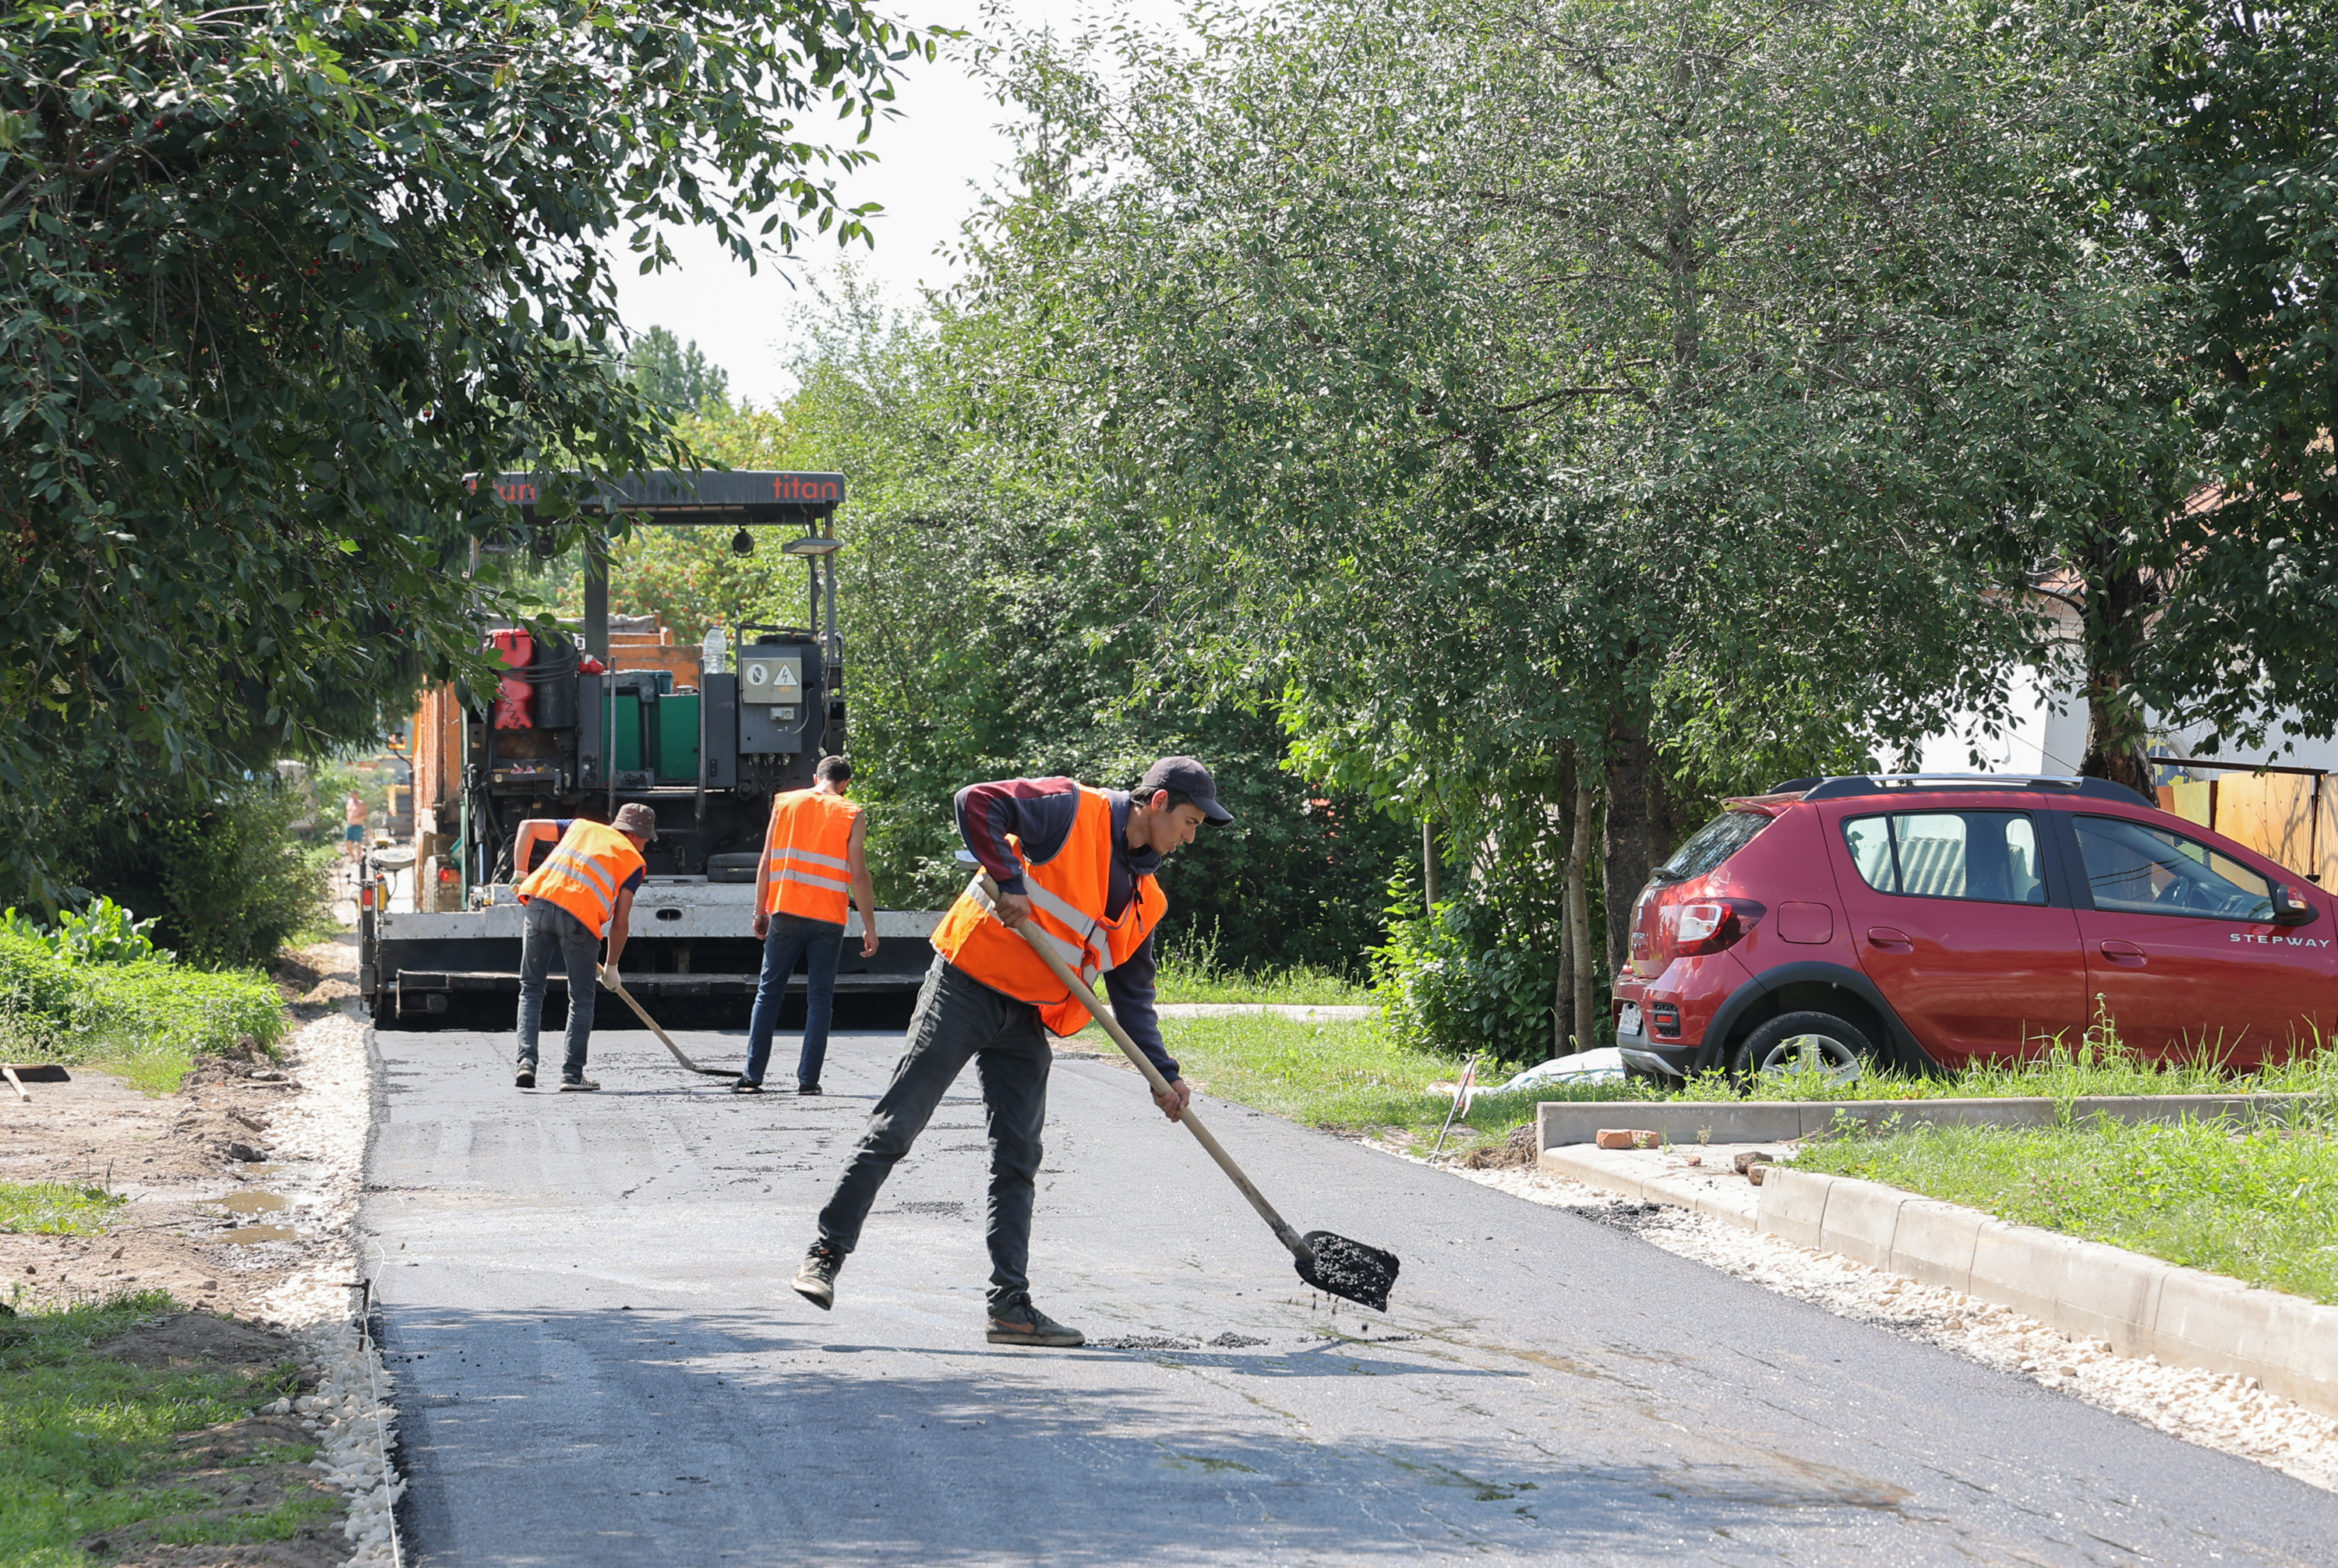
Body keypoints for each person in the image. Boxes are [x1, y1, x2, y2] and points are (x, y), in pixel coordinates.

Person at [790, 757, 1231, 1347]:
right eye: (1189, 820)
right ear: (1158, 803)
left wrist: (1163, 1077)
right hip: (967, 981)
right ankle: (825, 1254)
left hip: (1026, 1015)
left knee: (1019, 1156)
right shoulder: (1072, 809)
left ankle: (1011, 1307)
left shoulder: (1145, 901)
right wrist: (1010, 878)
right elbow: (975, 800)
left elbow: (1134, 998)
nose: (1189, 836)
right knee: (897, 1127)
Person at [737, 754, 880, 1096]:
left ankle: (751, 1077)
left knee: (769, 993)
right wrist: (870, 926)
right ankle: (808, 1081)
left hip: (785, 911)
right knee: (819, 999)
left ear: (817, 776)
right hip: (828, 919)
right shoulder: (851, 813)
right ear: (845, 784)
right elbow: (859, 875)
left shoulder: (786, 803)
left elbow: (767, 861)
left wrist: (760, 911)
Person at [509, 802, 657, 1092]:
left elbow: (527, 827)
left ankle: (526, 1063)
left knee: (531, 988)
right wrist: (612, 965)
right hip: (579, 920)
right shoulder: (633, 861)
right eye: (646, 840)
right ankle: (572, 1075)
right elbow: (620, 923)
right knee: (581, 997)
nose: (645, 846)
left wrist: (520, 873)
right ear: (637, 835)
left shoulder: (579, 826)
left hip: (539, 904)